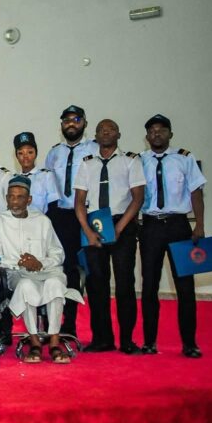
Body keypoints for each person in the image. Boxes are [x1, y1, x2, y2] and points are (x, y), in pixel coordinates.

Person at [0, 176, 82, 364]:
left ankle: (54, 342)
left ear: (29, 200)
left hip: (46, 271)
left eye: (20, 197)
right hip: (16, 273)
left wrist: (40, 263)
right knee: (26, 285)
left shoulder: (42, 221)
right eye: (11, 197)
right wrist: (21, 263)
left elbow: (58, 253)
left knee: (55, 283)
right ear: (6, 199)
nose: (15, 202)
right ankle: (34, 343)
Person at [73, 119, 145, 354]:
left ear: (118, 134)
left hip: (122, 224)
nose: (105, 132)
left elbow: (138, 197)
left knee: (125, 284)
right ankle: (102, 339)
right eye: (101, 130)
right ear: (95, 136)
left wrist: (120, 227)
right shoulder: (87, 164)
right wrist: (87, 231)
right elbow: (79, 201)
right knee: (96, 285)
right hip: (94, 226)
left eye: (110, 129)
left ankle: (127, 340)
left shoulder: (131, 160)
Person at [139, 114, 207, 357]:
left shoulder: (184, 158)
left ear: (170, 134)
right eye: (152, 131)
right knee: (149, 286)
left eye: (161, 130)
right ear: (147, 137)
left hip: (179, 226)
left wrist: (199, 225)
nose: (156, 134)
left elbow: (196, 193)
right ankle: (149, 342)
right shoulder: (139, 161)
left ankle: (189, 344)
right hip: (150, 227)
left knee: (185, 287)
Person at [44, 105, 99, 337]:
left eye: (76, 119)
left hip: (89, 216)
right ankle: (68, 325)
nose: (71, 124)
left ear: (84, 123)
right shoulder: (54, 153)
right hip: (62, 217)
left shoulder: (96, 149)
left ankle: (100, 334)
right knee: (65, 270)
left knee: (93, 272)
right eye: (66, 120)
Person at [12, 132, 58, 215]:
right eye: (21, 153)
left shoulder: (47, 176)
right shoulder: (12, 179)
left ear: (36, 154)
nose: (25, 156)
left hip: (42, 221)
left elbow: (54, 208)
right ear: (16, 156)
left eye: (30, 152)